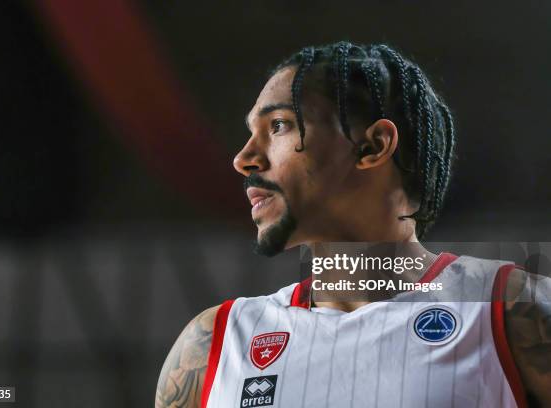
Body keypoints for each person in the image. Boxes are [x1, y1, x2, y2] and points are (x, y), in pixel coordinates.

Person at [155, 41, 550, 407]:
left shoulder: (513, 311)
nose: (244, 158)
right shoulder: (212, 346)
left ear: (373, 146)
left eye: (278, 125)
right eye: (251, 133)